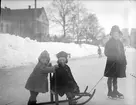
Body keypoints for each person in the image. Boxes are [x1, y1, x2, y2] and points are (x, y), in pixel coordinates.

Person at [104, 25, 127, 98]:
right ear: (112, 34)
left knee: (115, 77)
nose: (116, 35)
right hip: (111, 63)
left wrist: (124, 61)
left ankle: (115, 90)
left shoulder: (120, 43)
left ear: (119, 34)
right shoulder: (109, 42)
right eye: (114, 33)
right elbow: (106, 52)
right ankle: (110, 92)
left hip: (118, 63)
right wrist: (114, 54)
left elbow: (122, 52)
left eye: (117, 33)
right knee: (110, 77)